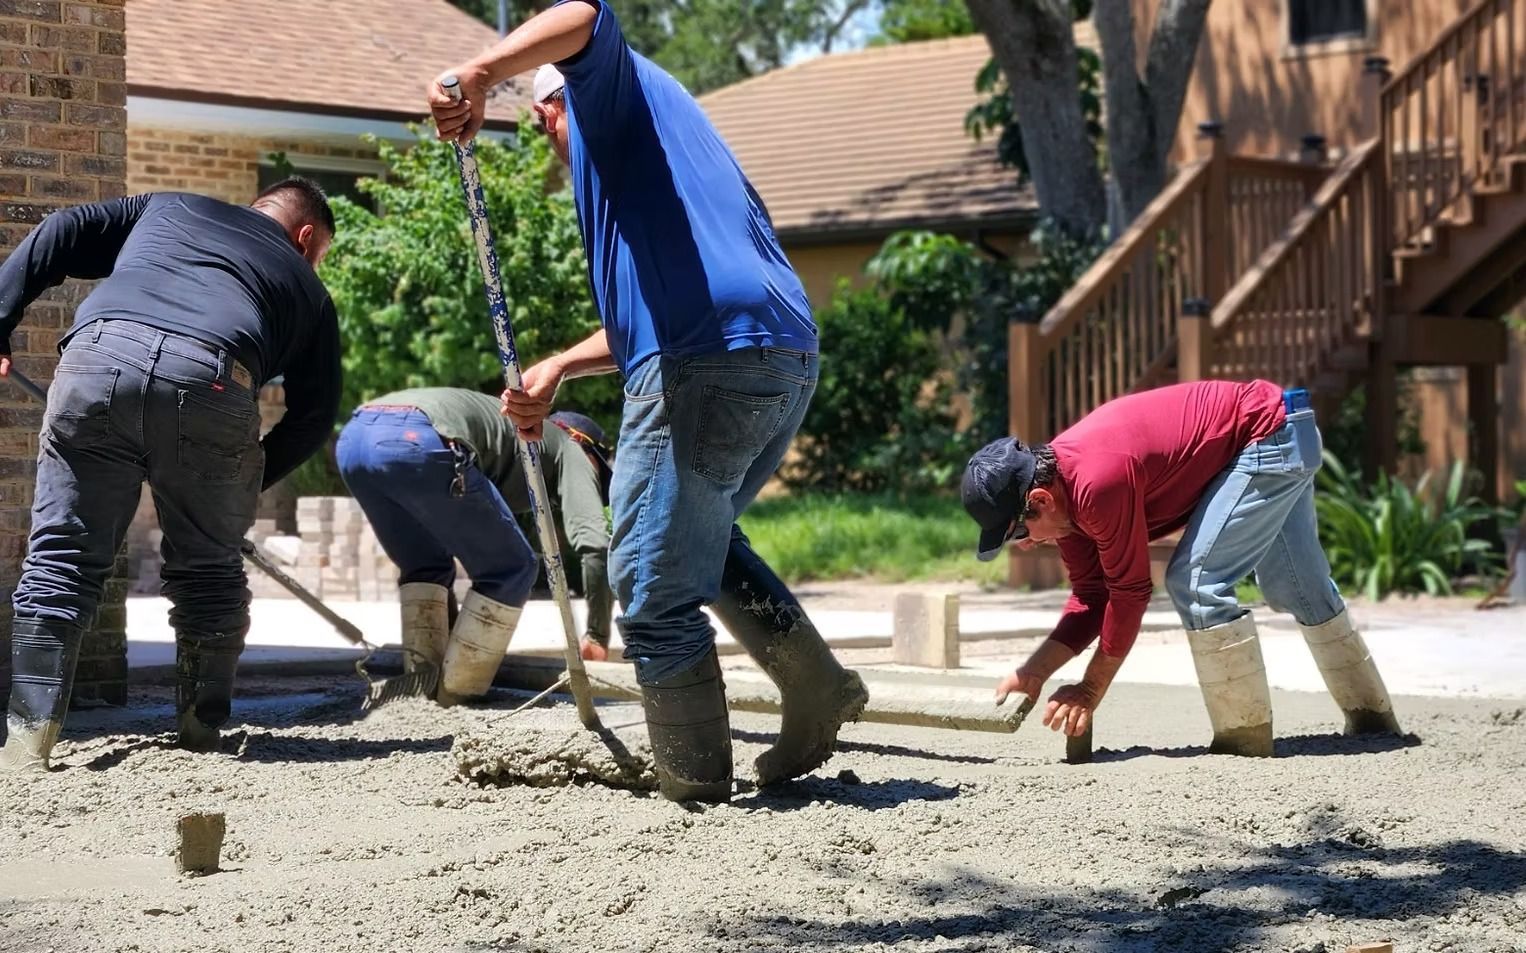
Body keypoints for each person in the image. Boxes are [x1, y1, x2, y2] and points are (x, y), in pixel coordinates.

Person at [428, 0, 867, 802]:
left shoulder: (611, 97)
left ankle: (693, 788)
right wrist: (561, 364)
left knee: (652, 583)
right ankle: (816, 686)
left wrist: (482, 72)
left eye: (539, 123)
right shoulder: (674, 131)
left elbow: (585, 14)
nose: (548, 143)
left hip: (703, 364)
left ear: (558, 99)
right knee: (698, 536)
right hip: (781, 354)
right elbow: (659, 314)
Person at [0, 179, 341, 771]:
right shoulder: (309, 289)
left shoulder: (169, 206)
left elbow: (61, 229)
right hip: (212, 375)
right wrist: (240, 483)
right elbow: (313, 416)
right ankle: (199, 736)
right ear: (305, 237)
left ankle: (28, 740)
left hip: (97, 358)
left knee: (61, 559)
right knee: (208, 570)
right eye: (317, 254)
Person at [963, 380, 1402, 757]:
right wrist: (1034, 673)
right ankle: (1374, 721)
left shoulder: (1096, 483)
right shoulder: (1066, 506)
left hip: (1269, 435)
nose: (1027, 544)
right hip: (1284, 430)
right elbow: (1092, 600)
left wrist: (1089, 690)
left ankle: (1243, 744)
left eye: (1020, 532)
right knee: (1296, 585)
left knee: (1195, 582)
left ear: (1040, 501)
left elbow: (1131, 593)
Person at [334, 388, 614, 702]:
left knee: (427, 566)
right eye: (599, 477)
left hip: (354, 440)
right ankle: (457, 695)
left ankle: (422, 686)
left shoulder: (511, 443)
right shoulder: (569, 446)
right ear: (587, 448)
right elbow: (596, 547)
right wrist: (597, 635)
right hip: (420, 438)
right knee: (513, 568)